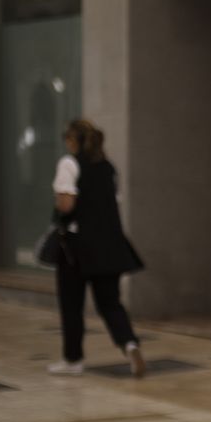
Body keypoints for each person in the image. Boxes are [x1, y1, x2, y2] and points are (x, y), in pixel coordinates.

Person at [49, 119, 146, 378]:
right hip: (109, 244)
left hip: (76, 246)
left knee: (71, 303)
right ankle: (130, 344)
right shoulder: (108, 168)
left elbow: (67, 205)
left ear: (73, 140)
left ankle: (73, 360)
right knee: (110, 302)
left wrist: (58, 206)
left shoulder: (69, 164)